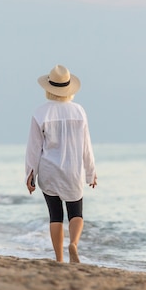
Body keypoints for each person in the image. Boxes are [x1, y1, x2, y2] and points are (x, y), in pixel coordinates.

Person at [25, 64, 97, 263]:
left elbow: (34, 147)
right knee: (76, 212)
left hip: (49, 170)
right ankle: (73, 243)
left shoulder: (40, 113)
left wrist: (30, 174)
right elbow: (86, 146)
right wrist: (91, 172)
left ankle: (59, 259)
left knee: (55, 215)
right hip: (73, 170)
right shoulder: (79, 111)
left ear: (49, 88)